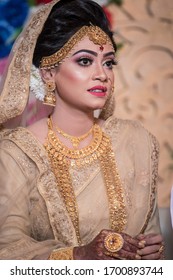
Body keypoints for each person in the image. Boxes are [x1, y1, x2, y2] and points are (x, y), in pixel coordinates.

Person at [0, 0, 164, 260]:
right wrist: (78, 255)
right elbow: (5, 250)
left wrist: (149, 252)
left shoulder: (135, 141)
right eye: (85, 61)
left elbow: (150, 234)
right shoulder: (17, 152)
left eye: (108, 63)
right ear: (48, 74)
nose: (102, 74)